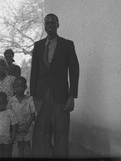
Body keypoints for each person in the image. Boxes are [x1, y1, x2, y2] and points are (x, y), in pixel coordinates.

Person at [30, 13, 79, 158]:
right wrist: (33, 97)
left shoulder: (67, 44)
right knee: (41, 132)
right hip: (41, 95)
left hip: (61, 96)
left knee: (61, 131)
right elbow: (34, 72)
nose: (49, 26)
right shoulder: (38, 46)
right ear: (44, 26)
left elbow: (74, 71)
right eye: (47, 23)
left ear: (58, 24)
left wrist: (72, 96)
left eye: (52, 23)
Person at [8, 76, 36, 158]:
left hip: (28, 126)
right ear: (14, 87)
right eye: (17, 86)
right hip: (16, 128)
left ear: (25, 87)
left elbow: (33, 113)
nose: (19, 88)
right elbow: (9, 114)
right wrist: (15, 127)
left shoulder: (29, 99)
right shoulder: (11, 100)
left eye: (22, 86)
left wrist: (27, 125)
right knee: (20, 146)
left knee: (27, 145)